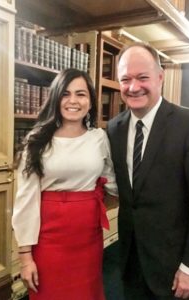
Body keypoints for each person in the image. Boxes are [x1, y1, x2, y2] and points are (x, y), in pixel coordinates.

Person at [107, 42, 189, 300]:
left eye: (142, 77)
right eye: (125, 79)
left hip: (177, 269)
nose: (133, 87)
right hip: (131, 262)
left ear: (160, 77)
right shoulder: (114, 128)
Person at [12, 68, 117, 300]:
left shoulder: (99, 138)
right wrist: (25, 257)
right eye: (65, 94)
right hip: (48, 238)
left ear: (90, 101)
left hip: (88, 236)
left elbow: (112, 182)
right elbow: (26, 200)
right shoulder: (37, 140)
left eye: (81, 94)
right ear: (56, 98)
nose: (73, 101)